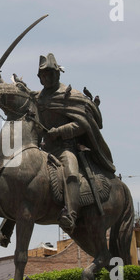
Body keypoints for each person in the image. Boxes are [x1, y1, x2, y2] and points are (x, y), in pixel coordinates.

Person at [36, 53, 116, 233]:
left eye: (50, 73)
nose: (46, 77)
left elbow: (83, 123)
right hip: (43, 149)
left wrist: (59, 132)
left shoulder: (71, 95)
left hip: (65, 148)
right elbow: (19, 94)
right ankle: (6, 227)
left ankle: (71, 215)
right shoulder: (38, 97)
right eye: (43, 74)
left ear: (58, 74)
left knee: (71, 173)